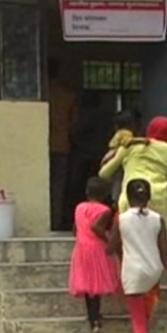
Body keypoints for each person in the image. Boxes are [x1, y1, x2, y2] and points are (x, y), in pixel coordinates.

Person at [107, 179, 167, 333]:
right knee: (146, 310)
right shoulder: (158, 219)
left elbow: (111, 248)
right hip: (154, 271)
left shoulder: (121, 219)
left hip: (133, 273)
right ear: (148, 198)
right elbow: (165, 252)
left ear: (127, 198)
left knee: (137, 319)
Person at [99, 116, 167, 242]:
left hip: (130, 198)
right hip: (160, 198)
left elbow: (104, 174)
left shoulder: (129, 147)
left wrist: (114, 153)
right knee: (159, 243)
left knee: (131, 243)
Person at [68, 177, 120, 333]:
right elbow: (97, 228)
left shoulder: (79, 207)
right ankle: (96, 318)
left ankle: (94, 320)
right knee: (96, 285)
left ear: (87, 192)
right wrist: (108, 240)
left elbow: (75, 229)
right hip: (96, 249)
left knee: (88, 287)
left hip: (81, 248)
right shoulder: (104, 210)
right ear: (105, 194)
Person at [63, 91, 112, 229]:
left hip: (84, 157)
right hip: (100, 156)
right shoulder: (106, 117)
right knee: (100, 189)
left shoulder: (86, 116)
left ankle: (79, 220)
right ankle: (103, 220)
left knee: (79, 190)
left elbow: (75, 133)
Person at [48, 58, 78, 231]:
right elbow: (74, 122)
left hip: (43, 147)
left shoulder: (42, 93)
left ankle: (48, 221)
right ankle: (56, 221)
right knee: (59, 187)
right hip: (62, 146)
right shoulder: (67, 95)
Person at [102, 110, 147, 204]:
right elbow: (128, 142)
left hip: (114, 160)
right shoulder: (125, 133)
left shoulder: (119, 133)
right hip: (118, 161)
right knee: (119, 182)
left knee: (116, 182)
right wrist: (143, 140)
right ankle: (116, 201)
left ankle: (115, 200)